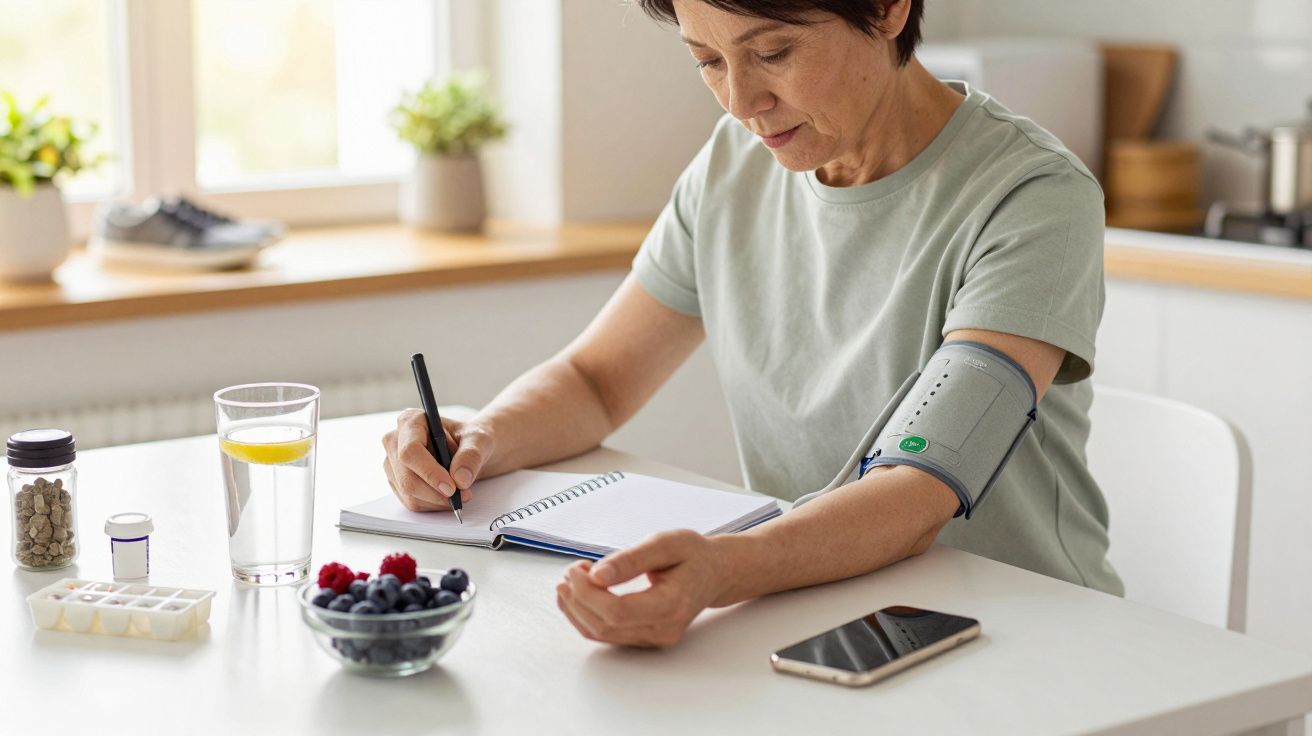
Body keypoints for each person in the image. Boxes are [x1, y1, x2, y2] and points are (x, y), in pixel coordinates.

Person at [382, 0, 1123, 648]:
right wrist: (479, 440)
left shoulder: (1031, 197)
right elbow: (597, 380)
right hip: (824, 608)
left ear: (890, 8)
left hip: (1019, 632)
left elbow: (919, 489)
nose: (740, 102)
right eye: (707, 59)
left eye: (773, 53)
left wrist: (726, 569)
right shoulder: (737, 164)